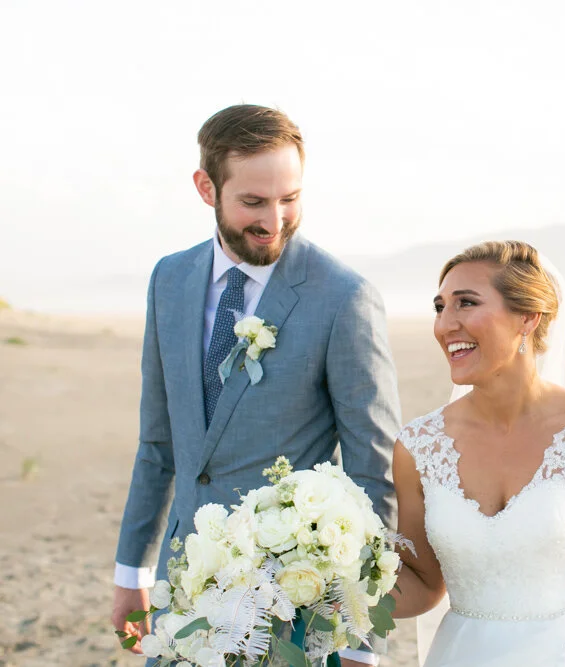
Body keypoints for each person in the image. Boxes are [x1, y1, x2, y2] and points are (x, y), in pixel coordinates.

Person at [110, 104, 400, 667]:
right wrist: (130, 572)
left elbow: (373, 469)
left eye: (290, 199)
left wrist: (366, 643)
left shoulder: (344, 297)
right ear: (205, 187)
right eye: (253, 202)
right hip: (183, 593)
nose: (274, 220)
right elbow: (159, 444)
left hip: (293, 608)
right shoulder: (168, 279)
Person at [390, 240, 565, 666]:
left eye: (466, 303)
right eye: (440, 307)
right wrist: (335, 591)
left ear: (528, 318)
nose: (445, 325)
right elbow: (423, 582)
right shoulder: (417, 447)